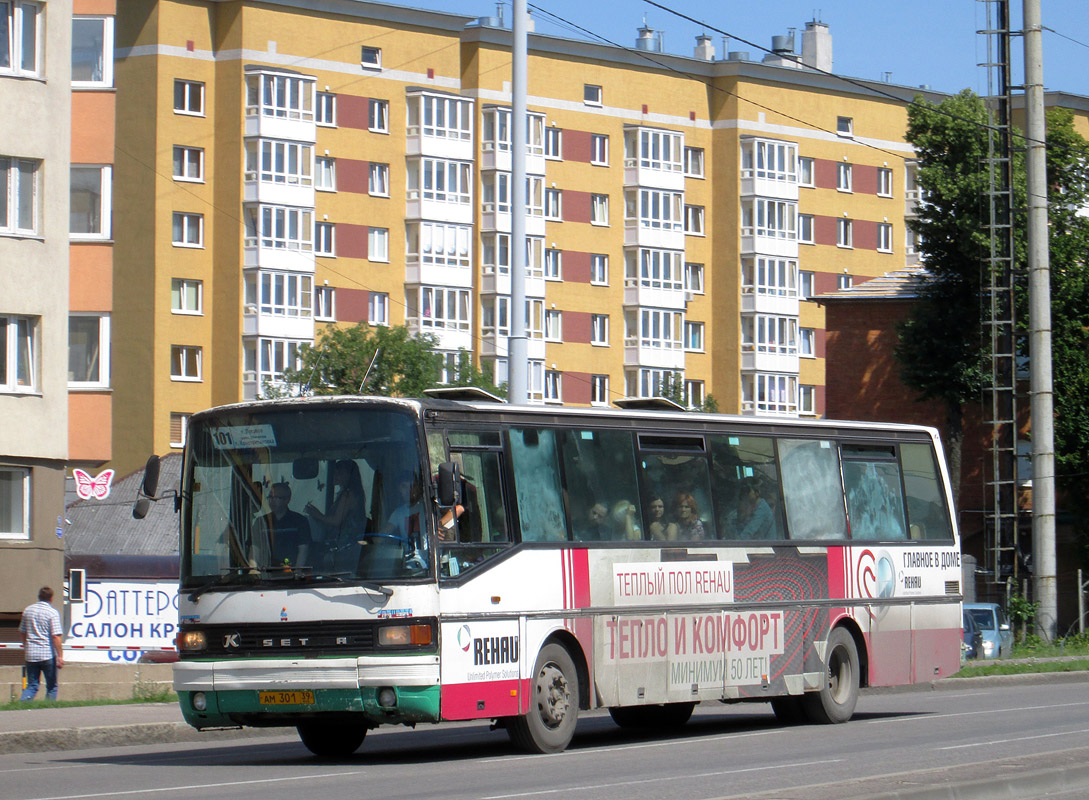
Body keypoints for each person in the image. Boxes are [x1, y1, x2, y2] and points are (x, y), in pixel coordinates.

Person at [305, 460, 366, 565]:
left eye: (339, 473)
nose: (335, 475)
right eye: (335, 472)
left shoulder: (348, 495)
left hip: (346, 546)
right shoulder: (343, 493)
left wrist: (316, 514)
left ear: (349, 475)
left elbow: (336, 521)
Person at [19, 587, 64, 701]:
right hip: (47, 654)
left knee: (32, 685)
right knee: (51, 686)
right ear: (51, 598)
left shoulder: (28, 610)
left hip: (31, 654)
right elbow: (56, 636)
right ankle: (47, 709)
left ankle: (23, 704)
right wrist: (60, 656)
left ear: (39, 596)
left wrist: (26, 646)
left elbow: (22, 632)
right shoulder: (52, 613)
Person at [256, 482, 311, 567]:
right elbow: (254, 551)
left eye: (276, 497)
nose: (271, 501)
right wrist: (255, 573)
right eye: (270, 497)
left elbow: (303, 550)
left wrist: (297, 574)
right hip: (265, 574)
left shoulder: (300, 521)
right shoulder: (261, 522)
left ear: (287, 500)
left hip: (291, 575)